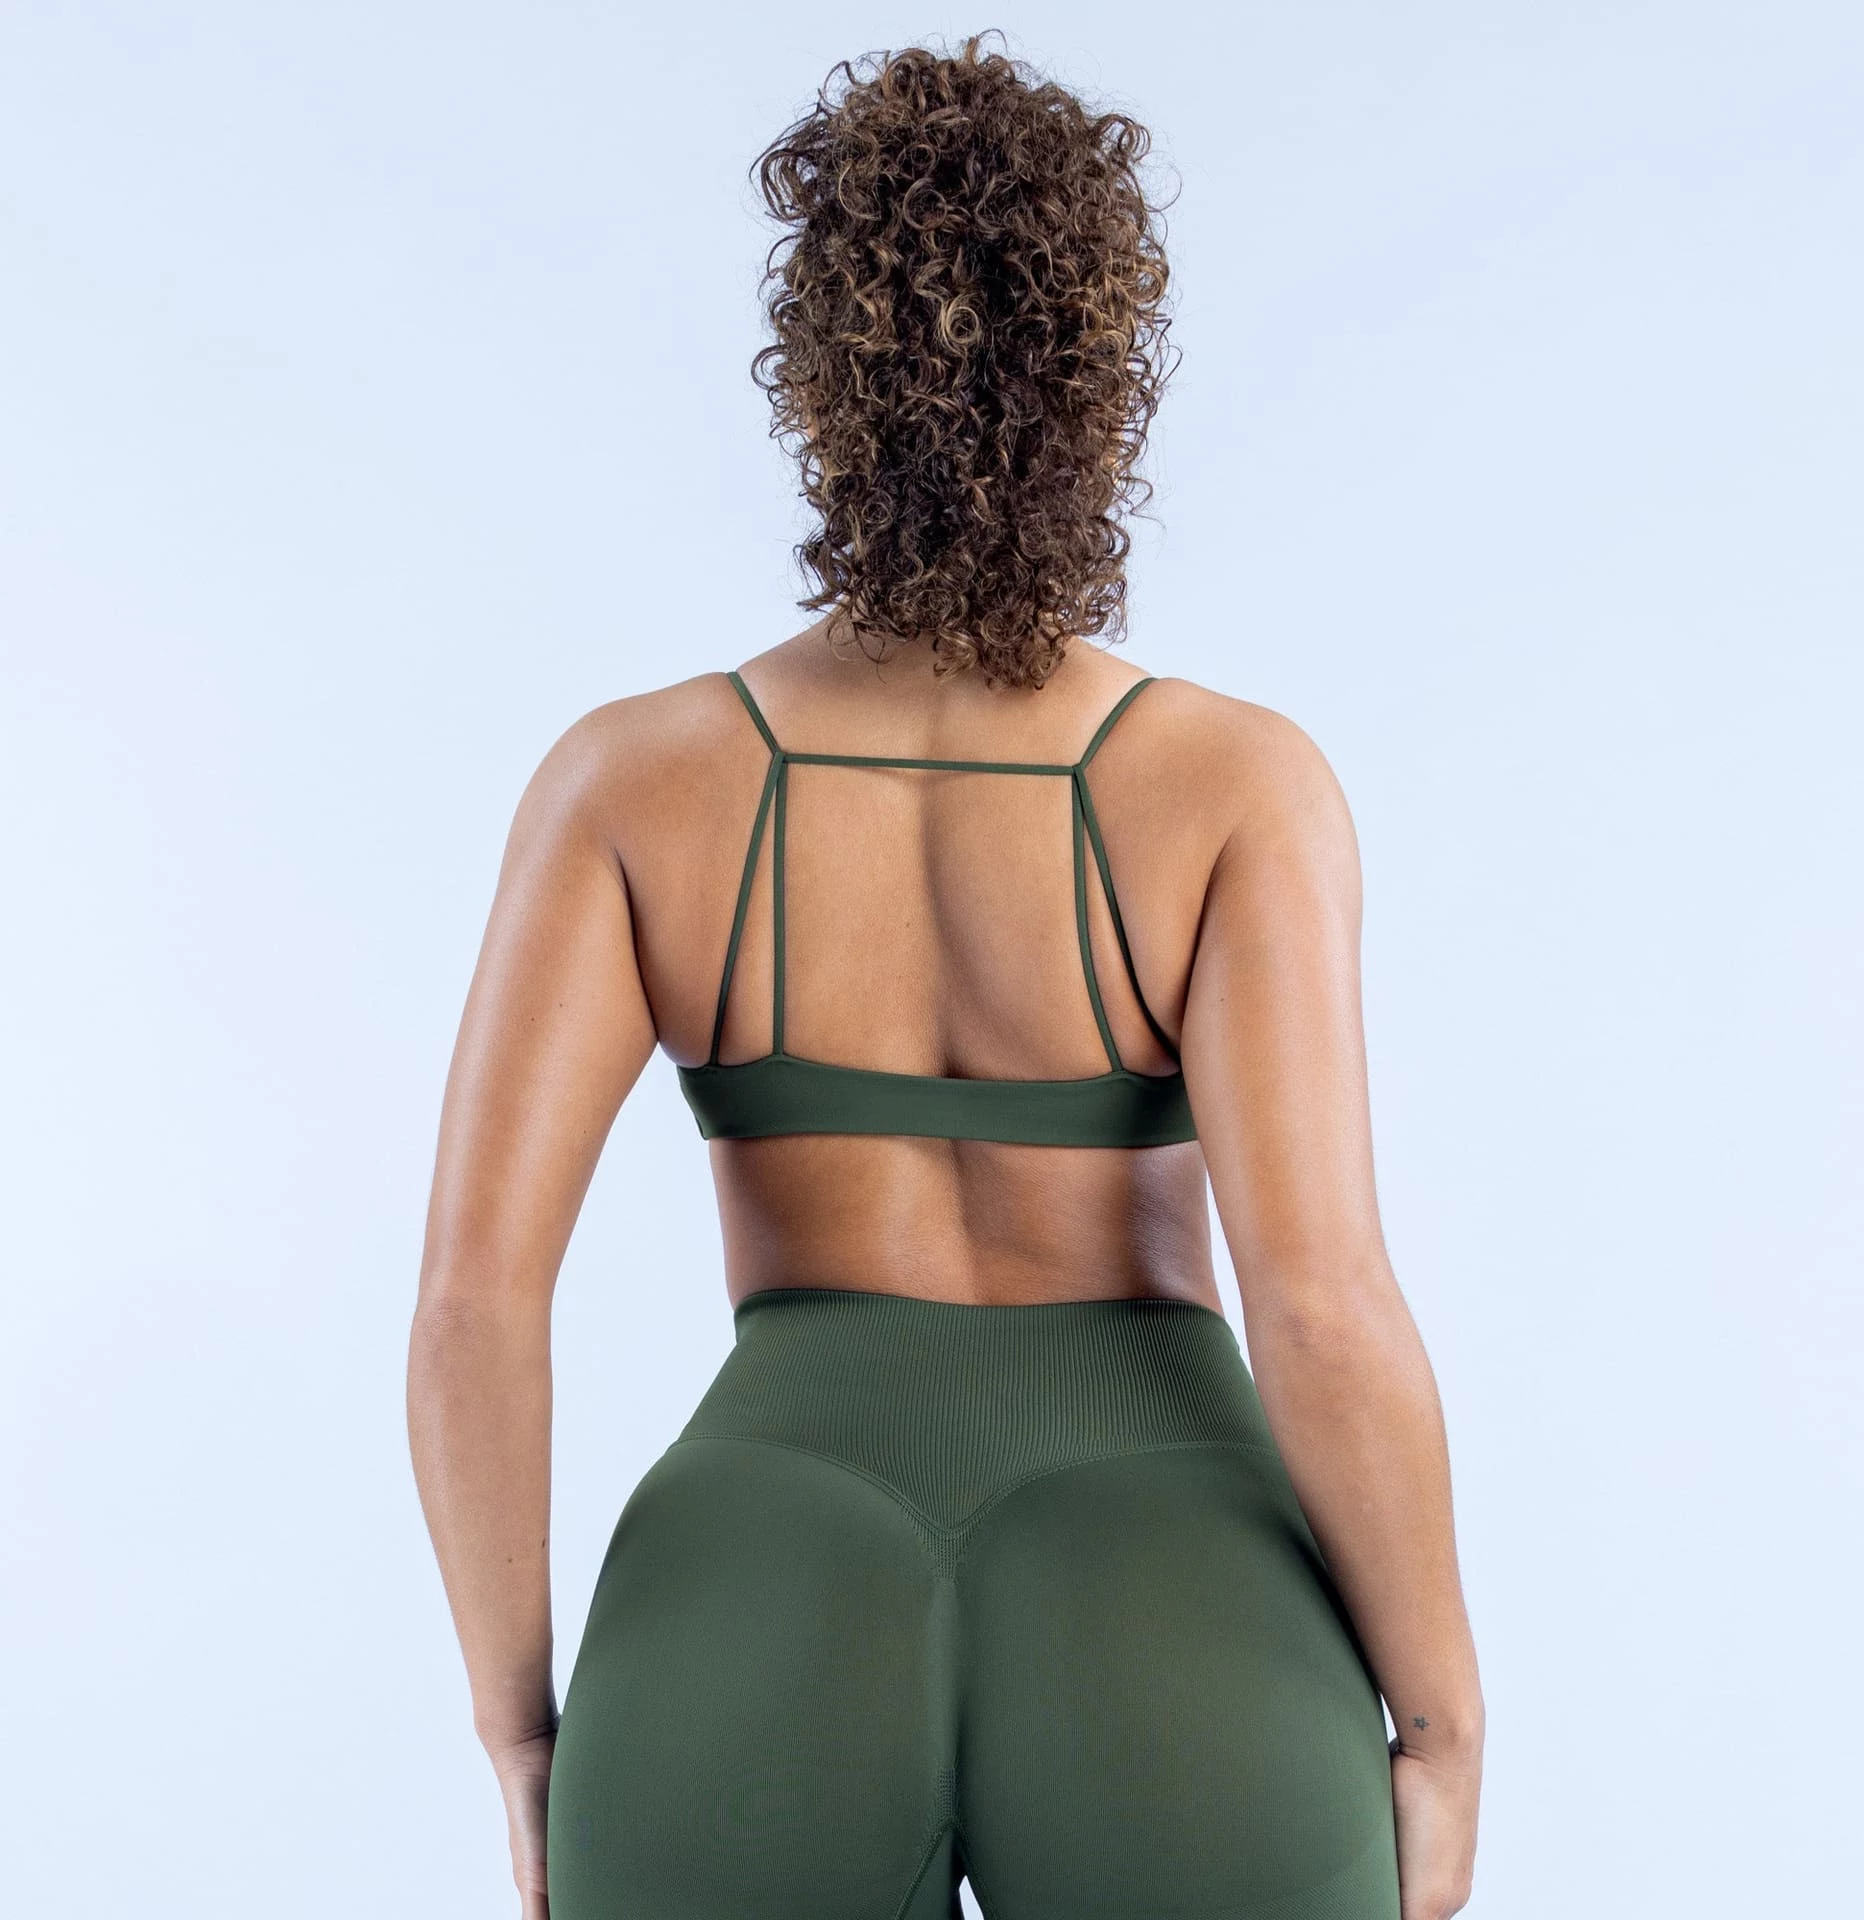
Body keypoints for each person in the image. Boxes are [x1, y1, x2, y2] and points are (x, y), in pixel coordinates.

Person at [408, 35, 1483, 1920]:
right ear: (1099, 382)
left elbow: (473, 1307)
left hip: (754, 1586)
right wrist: (1444, 1723)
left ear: (820, 380)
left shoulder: (631, 784)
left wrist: (521, 1735)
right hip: (1180, 1595)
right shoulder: (1234, 785)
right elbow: (1319, 1310)